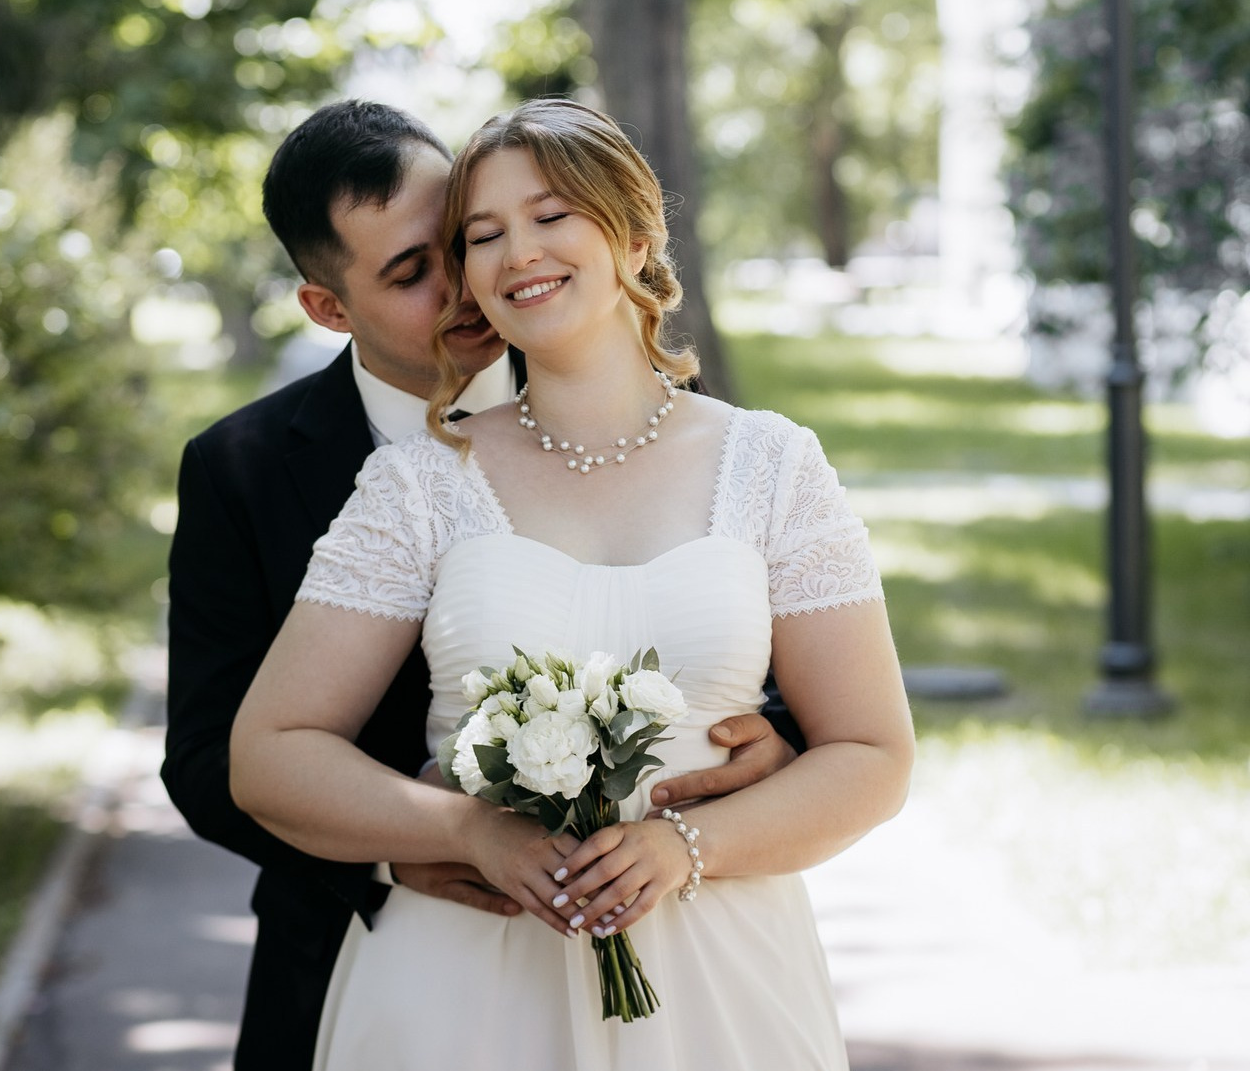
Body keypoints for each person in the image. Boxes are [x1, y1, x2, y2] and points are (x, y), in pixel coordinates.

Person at [229, 98, 916, 1070]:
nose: (518, 251)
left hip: (720, 979)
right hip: (467, 985)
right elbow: (269, 754)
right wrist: (472, 830)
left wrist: (685, 842)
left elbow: (871, 750)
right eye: (482, 233)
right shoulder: (422, 481)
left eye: (551, 215)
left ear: (634, 237)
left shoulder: (770, 464)